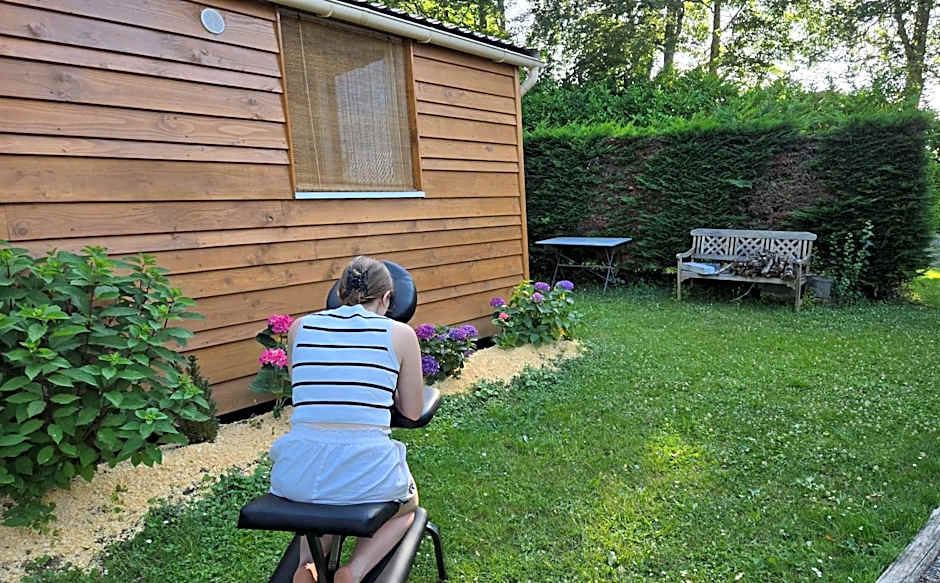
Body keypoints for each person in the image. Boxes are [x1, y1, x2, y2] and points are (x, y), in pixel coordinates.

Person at [268, 256, 424, 583]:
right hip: (366, 474)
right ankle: (355, 570)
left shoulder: (299, 328)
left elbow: (308, 393)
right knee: (408, 505)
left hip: (296, 472)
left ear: (339, 293)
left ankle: (307, 566)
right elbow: (411, 411)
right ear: (386, 299)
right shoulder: (400, 333)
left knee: (323, 499)